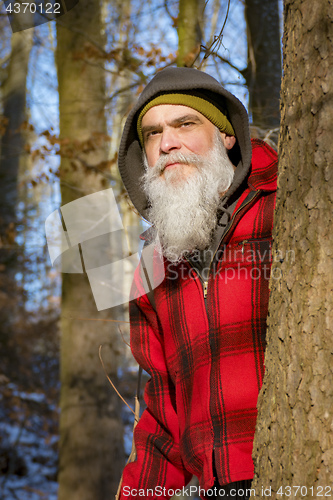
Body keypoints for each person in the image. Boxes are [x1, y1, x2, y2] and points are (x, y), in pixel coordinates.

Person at [117, 67, 278, 499]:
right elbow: (161, 414)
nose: (167, 144)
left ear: (227, 135)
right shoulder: (153, 265)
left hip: (305, 466)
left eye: (185, 124)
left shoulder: (288, 208)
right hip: (216, 489)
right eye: (152, 134)